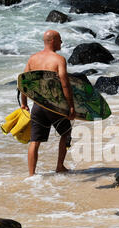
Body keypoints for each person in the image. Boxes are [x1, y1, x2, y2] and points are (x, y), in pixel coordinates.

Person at [20, 30, 76, 176]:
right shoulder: (59, 59)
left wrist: (24, 103)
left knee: (35, 141)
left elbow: (23, 82)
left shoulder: (33, 59)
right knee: (66, 133)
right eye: (60, 40)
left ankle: (31, 175)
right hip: (55, 106)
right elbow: (65, 84)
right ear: (52, 41)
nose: (61, 43)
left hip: (38, 106)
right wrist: (70, 106)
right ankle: (60, 166)